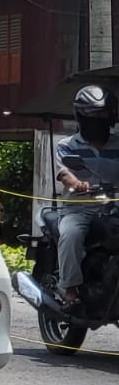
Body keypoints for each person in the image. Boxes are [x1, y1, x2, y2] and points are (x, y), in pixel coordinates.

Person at [55, 84, 119, 310]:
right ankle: (68, 288)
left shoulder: (118, 143)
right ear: (80, 116)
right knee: (71, 235)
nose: (97, 119)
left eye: (102, 114)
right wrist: (77, 184)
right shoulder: (67, 145)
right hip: (80, 208)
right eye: (92, 114)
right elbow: (64, 174)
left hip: (113, 207)